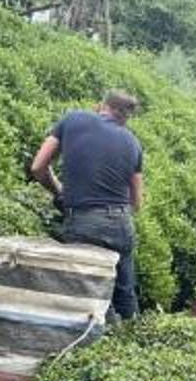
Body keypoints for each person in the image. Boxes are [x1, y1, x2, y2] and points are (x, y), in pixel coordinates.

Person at [30, 91, 144, 322]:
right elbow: (137, 202)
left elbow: (38, 166)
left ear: (101, 105)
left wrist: (59, 190)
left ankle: (97, 348)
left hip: (84, 223)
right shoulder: (133, 143)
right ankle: (132, 347)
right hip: (121, 223)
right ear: (125, 117)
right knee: (124, 294)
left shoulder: (73, 119)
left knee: (87, 298)